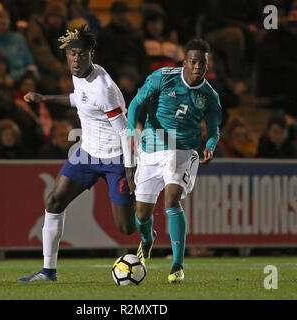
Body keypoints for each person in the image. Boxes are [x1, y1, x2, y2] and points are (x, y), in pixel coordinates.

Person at [18, 26, 136, 282]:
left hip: (116, 158)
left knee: (126, 229)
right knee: (54, 201)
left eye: (82, 54)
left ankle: (147, 212)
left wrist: (130, 169)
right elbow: (78, 98)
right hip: (87, 155)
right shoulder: (79, 75)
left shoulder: (104, 89)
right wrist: (44, 97)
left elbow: (127, 133)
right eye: (72, 54)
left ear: (91, 54)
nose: (76, 59)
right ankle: (49, 271)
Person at [126, 39, 222, 283]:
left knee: (171, 198)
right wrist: (130, 132)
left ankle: (177, 265)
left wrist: (210, 146)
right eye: (193, 61)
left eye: (203, 62)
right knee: (141, 215)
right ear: (185, 62)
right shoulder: (162, 77)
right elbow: (137, 102)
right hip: (151, 149)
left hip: (183, 151)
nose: (198, 66)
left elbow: (213, 129)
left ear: (208, 64)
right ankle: (147, 239)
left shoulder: (210, 96)